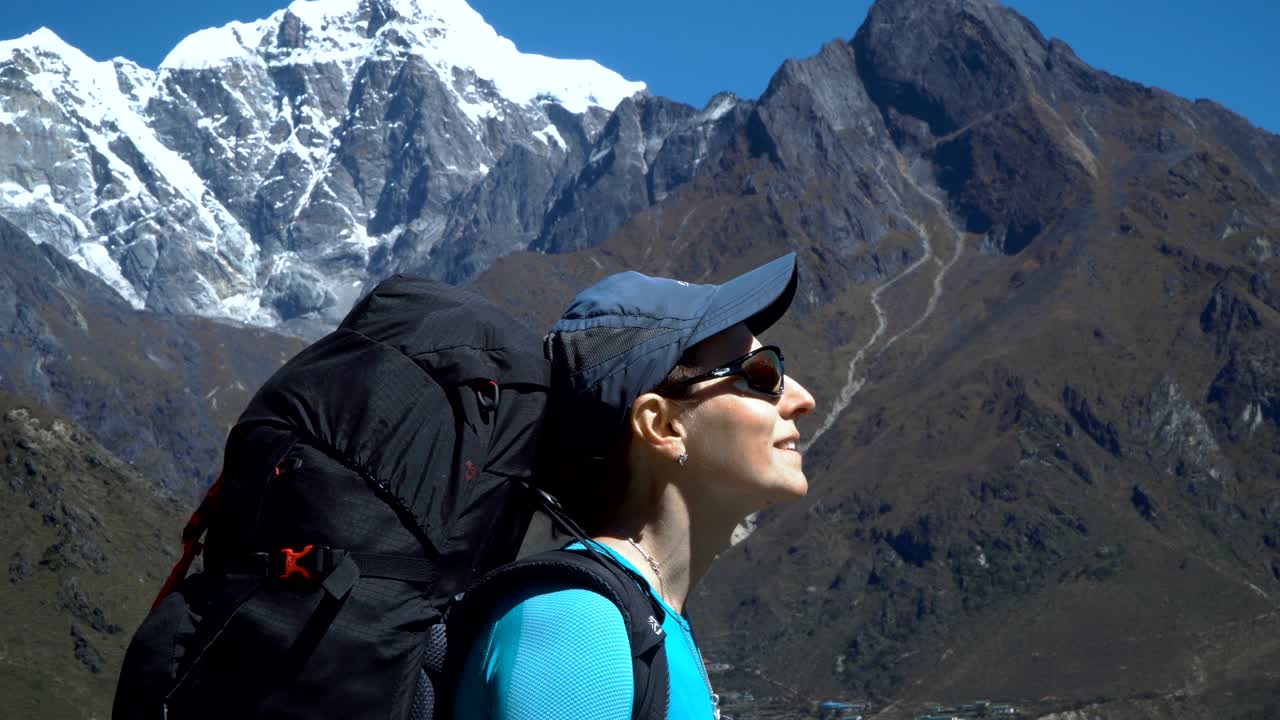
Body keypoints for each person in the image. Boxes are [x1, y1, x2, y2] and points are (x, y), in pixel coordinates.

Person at [453, 253, 817, 719]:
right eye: (763, 374)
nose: (803, 398)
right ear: (662, 426)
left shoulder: (639, 617)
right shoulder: (579, 624)